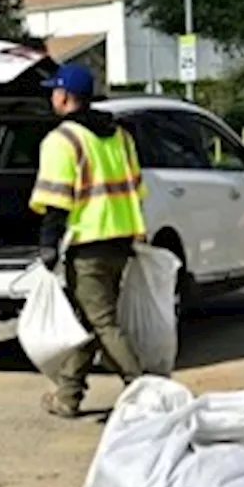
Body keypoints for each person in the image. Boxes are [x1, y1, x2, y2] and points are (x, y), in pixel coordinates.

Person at [28, 63, 148, 418]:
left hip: (88, 241)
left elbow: (55, 199)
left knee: (103, 322)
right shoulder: (120, 135)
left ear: (65, 97)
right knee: (90, 319)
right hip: (121, 238)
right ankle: (68, 395)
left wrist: (48, 245)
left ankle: (144, 392)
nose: (51, 96)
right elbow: (137, 188)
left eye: (54, 91)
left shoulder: (62, 140)